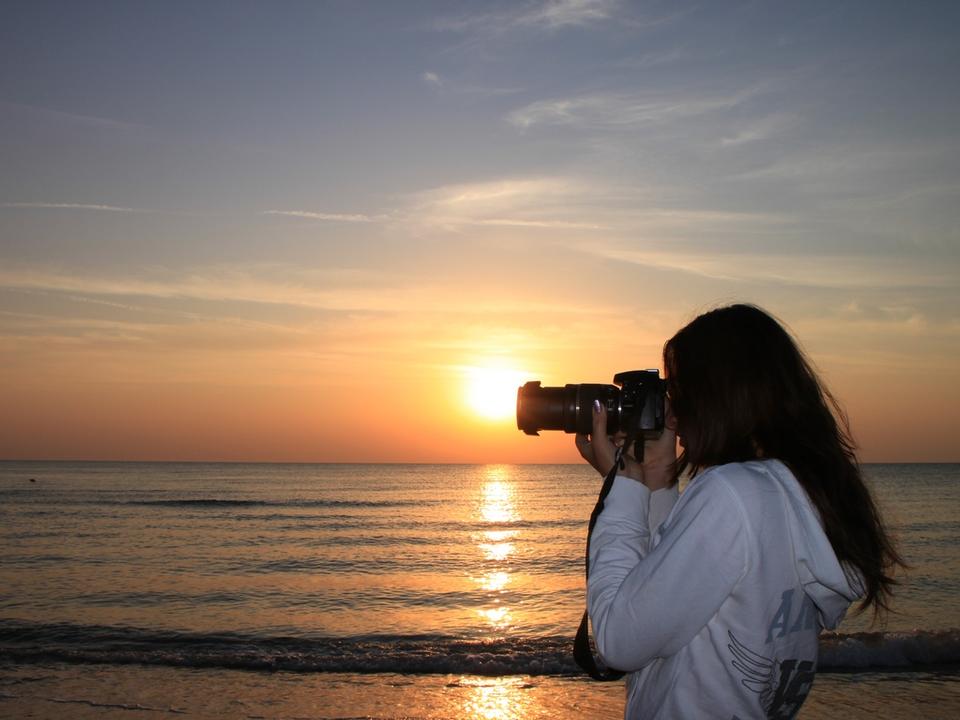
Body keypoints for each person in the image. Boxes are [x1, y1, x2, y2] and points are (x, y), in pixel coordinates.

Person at [575, 303, 903, 720]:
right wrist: (654, 476)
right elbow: (669, 596)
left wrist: (624, 483)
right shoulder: (791, 492)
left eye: (680, 392)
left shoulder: (733, 494)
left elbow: (619, 639)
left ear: (718, 395)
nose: (672, 413)